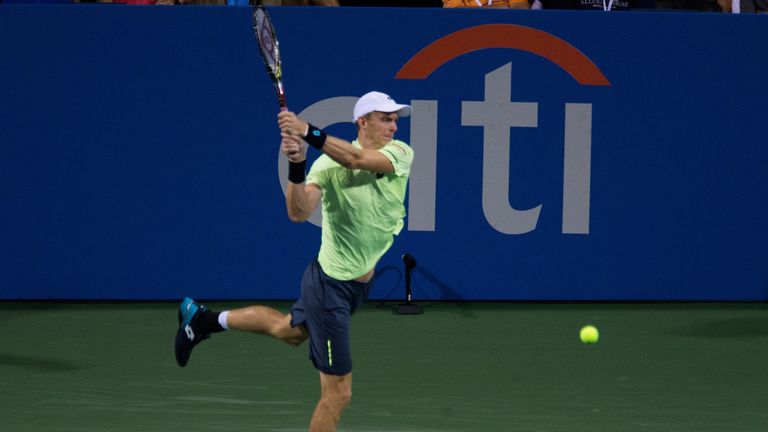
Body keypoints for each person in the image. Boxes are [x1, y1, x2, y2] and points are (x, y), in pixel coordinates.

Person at [174, 91, 414, 432]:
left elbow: (357, 161)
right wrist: (298, 163)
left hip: (356, 286)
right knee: (338, 394)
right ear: (363, 122)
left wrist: (306, 131)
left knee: (288, 331)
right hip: (330, 287)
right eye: (385, 118)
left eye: (395, 119)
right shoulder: (327, 165)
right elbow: (298, 212)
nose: (394, 126)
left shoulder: (400, 153)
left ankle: (203, 321)